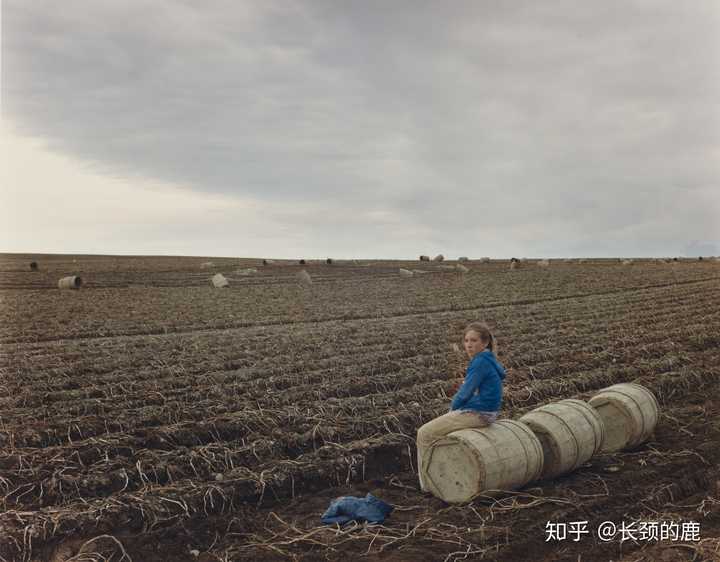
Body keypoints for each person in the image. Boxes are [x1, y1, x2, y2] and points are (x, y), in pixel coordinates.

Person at [416, 322, 506, 492]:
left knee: (424, 433)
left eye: (473, 340)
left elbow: (465, 393)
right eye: (466, 340)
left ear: (485, 343)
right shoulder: (489, 359)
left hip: (478, 413)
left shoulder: (479, 362)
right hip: (488, 411)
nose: (469, 345)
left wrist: (452, 411)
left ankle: (428, 485)